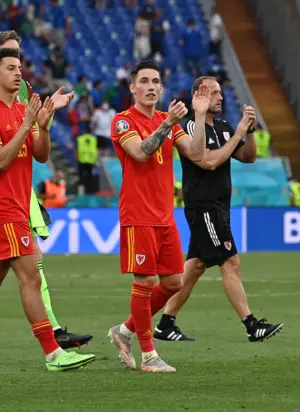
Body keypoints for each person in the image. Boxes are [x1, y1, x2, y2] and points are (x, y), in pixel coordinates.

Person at [0, 48, 96, 371]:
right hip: (2, 207)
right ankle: (53, 352)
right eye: (11, 67)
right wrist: (26, 125)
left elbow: (39, 155)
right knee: (31, 277)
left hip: (18, 206)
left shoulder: (22, 109)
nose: (18, 72)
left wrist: (45, 127)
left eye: (20, 67)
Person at [153, 76, 283, 343]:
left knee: (196, 266)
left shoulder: (223, 127)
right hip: (204, 207)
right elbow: (208, 162)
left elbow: (248, 157)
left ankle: (165, 324)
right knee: (230, 262)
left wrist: (249, 130)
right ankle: (251, 325)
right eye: (214, 93)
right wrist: (237, 134)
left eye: (221, 93)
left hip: (219, 207)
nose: (221, 98)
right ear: (199, 95)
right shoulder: (189, 127)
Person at [106, 60, 208, 372]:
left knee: (175, 281)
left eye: (156, 81)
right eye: (145, 81)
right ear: (132, 88)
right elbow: (140, 152)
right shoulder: (123, 121)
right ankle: (149, 356)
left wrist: (200, 116)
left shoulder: (169, 119)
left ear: (161, 88)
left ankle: (124, 331)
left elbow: (196, 153)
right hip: (137, 214)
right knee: (146, 280)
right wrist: (167, 125)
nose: (151, 86)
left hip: (165, 215)